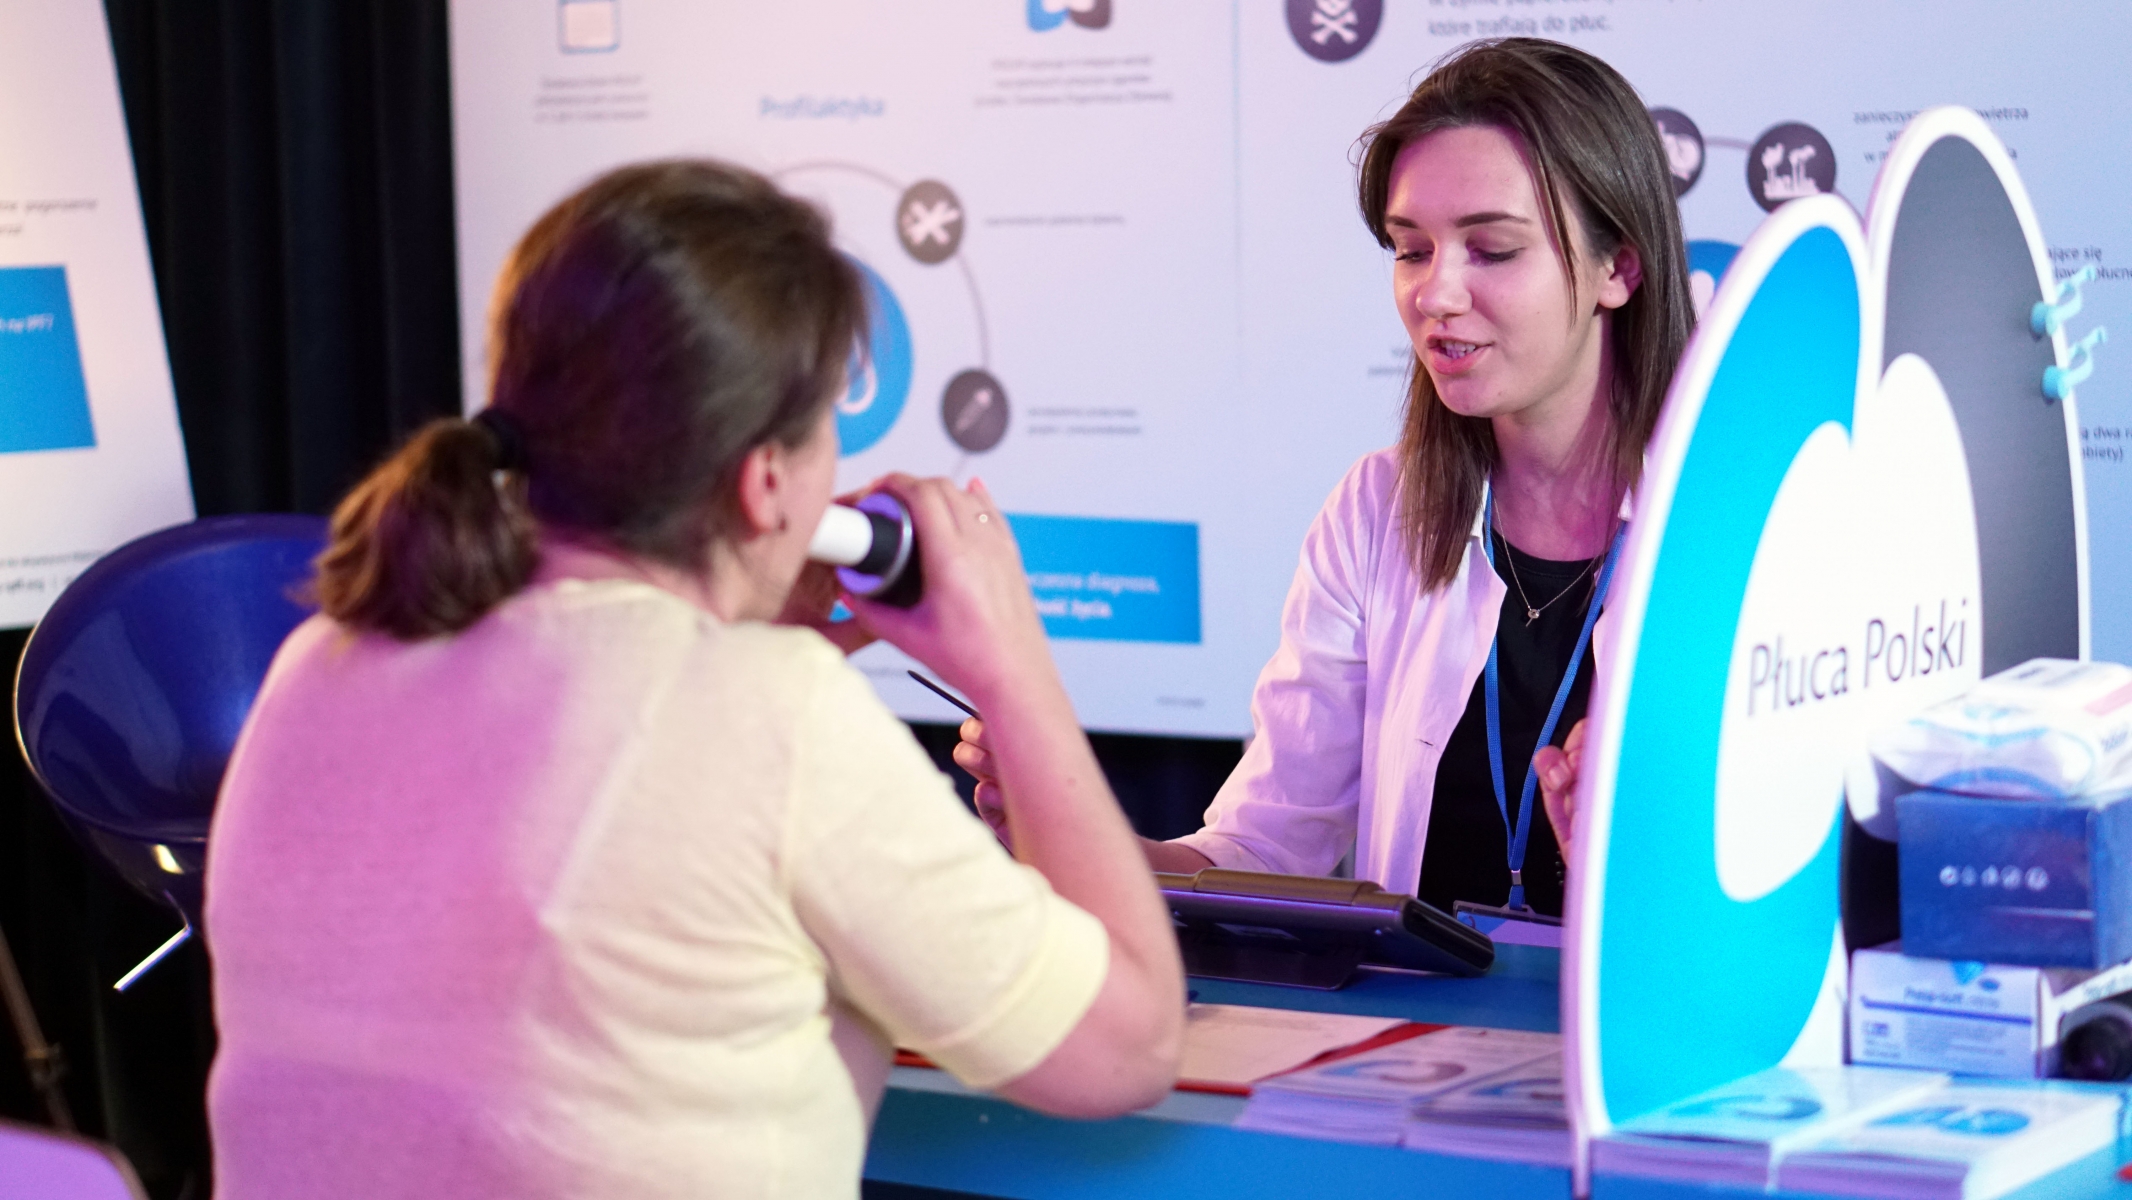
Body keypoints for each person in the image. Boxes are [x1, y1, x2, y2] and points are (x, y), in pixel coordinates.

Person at [203, 160, 1184, 1199]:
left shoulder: (325, 658)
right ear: (766, 481)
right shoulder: (775, 712)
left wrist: (747, 627)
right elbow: (1125, 1049)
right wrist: (1011, 661)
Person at [956, 38, 1692, 918]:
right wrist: (1071, 829)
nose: (1436, 294)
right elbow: (1263, 850)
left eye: (1492, 249)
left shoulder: (1738, 521)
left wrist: (1634, 871)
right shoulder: (1378, 510)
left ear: (1620, 267)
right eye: (1411, 250)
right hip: (1416, 1011)